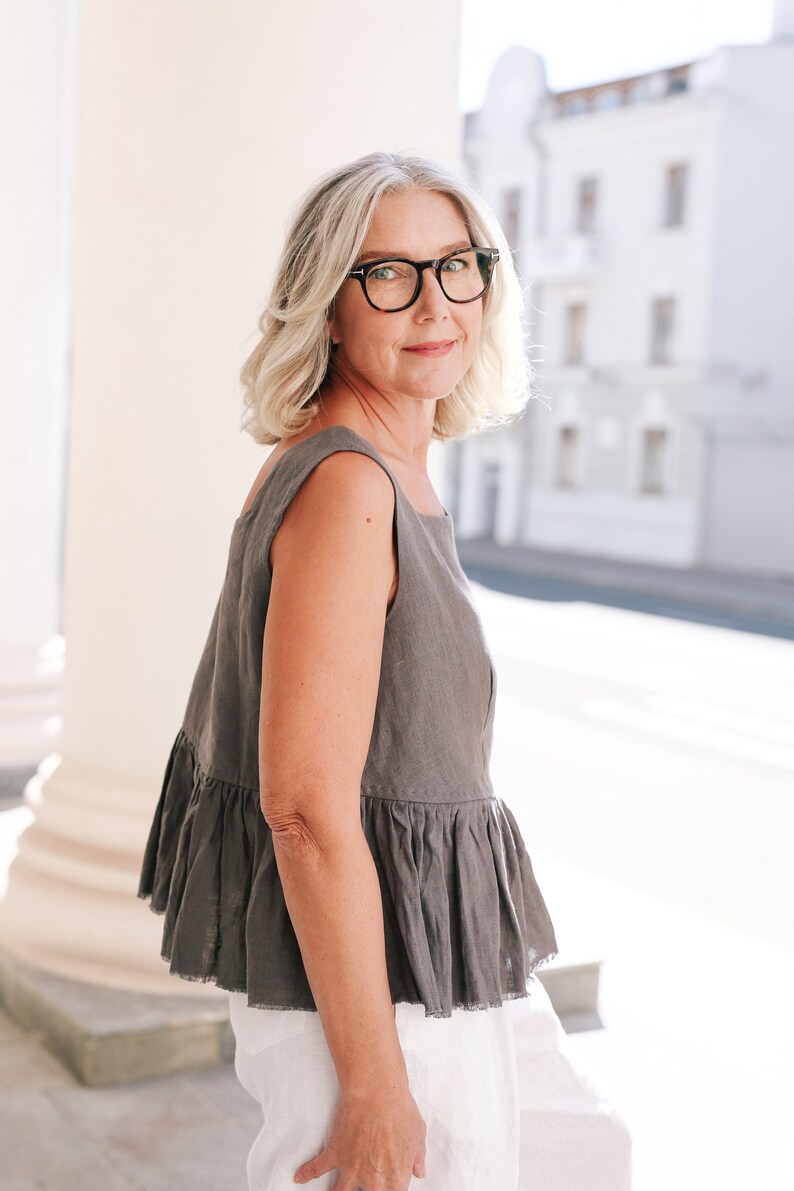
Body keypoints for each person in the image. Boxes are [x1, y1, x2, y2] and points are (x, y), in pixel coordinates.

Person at [138, 150, 632, 1191]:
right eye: (387, 274)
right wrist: (373, 1084)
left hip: (438, 934)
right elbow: (304, 809)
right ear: (325, 306)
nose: (431, 302)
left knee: (579, 1152)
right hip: (377, 972)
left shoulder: (382, 462)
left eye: (456, 266)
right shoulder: (348, 488)